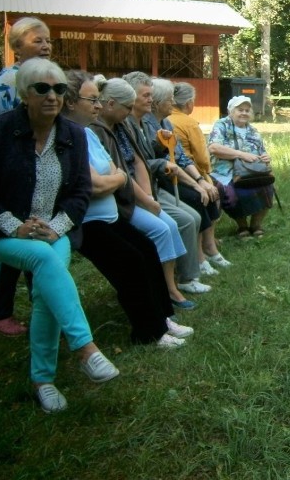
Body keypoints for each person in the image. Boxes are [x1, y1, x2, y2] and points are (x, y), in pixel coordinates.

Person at [0, 58, 119, 414]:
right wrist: (15, 226)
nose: (52, 96)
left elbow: (81, 191)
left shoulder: (73, 135)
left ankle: (43, 381)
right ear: (24, 94)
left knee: (46, 289)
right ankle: (85, 349)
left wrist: (58, 226)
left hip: (55, 230)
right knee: (47, 263)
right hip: (5, 231)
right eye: (42, 88)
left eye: (59, 89)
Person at [62, 71, 193, 348]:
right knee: (131, 261)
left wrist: (115, 179)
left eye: (99, 100)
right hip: (87, 222)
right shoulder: (67, 136)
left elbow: (116, 171)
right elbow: (95, 185)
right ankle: (149, 333)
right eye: (93, 100)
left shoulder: (88, 132)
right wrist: (116, 180)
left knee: (146, 248)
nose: (97, 106)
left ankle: (163, 318)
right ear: (71, 102)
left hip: (108, 216)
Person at [0, 17, 52, 337]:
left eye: (48, 40)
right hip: (9, 179)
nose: (45, 46)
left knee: (36, 233)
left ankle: (42, 302)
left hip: (38, 174)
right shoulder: (9, 81)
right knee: (9, 238)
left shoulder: (46, 79)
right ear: (16, 47)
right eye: (37, 41)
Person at [122, 72, 210, 298]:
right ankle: (185, 277)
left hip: (156, 184)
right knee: (186, 218)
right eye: (146, 95)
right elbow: (131, 166)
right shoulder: (128, 126)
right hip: (147, 190)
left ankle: (191, 271)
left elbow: (178, 158)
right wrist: (197, 180)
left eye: (152, 95)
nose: (151, 101)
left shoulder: (150, 123)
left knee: (196, 213)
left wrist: (200, 180)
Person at [149, 78, 230, 273]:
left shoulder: (167, 121)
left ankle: (209, 248)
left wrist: (201, 180)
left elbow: (182, 157)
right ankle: (200, 257)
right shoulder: (148, 125)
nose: (173, 102)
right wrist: (200, 181)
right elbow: (200, 160)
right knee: (198, 197)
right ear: (158, 102)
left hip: (182, 173)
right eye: (170, 99)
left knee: (208, 192)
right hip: (165, 179)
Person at [207, 96, 274, 238]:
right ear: (231, 111)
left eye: (247, 110)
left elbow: (261, 150)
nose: (244, 113)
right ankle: (242, 226)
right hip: (225, 171)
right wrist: (241, 154)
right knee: (231, 192)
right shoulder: (222, 125)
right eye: (240, 110)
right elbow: (213, 148)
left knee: (267, 187)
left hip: (252, 170)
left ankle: (256, 225)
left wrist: (266, 157)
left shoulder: (253, 131)